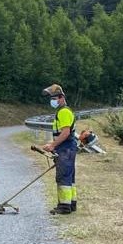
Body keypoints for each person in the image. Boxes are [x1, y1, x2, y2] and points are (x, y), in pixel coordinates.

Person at [41, 84, 78, 214]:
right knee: (69, 177)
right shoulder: (62, 111)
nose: (52, 101)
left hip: (66, 148)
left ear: (61, 98)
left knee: (63, 176)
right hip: (66, 147)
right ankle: (71, 204)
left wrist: (52, 145)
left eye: (54, 98)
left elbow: (65, 132)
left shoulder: (63, 112)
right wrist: (54, 144)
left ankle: (64, 206)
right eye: (51, 98)